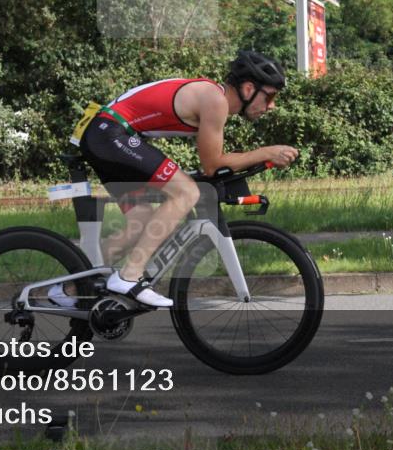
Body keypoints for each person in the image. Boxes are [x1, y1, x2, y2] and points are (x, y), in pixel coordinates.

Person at [49, 50, 299, 309]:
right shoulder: (216, 100)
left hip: (106, 134)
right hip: (110, 134)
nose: (272, 106)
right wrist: (266, 153)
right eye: (270, 96)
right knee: (186, 192)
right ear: (248, 89)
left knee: (142, 221)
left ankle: (69, 289)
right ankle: (129, 277)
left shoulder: (212, 96)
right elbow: (212, 165)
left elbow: (212, 163)